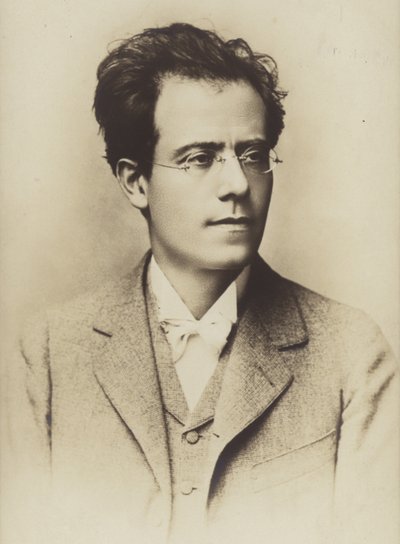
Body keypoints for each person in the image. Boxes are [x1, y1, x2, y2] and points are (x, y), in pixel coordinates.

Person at [7, 22, 399, 544]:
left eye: (253, 155)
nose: (237, 184)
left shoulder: (353, 353)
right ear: (136, 181)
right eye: (200, 158)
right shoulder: (47, 355)